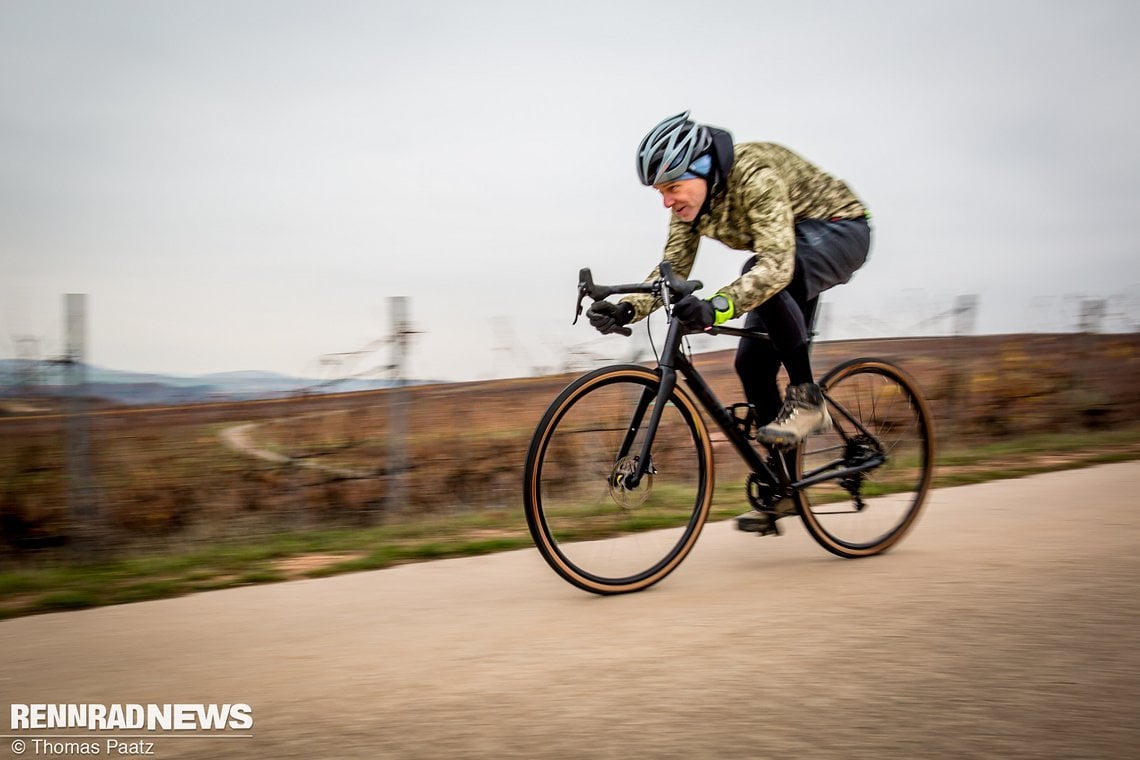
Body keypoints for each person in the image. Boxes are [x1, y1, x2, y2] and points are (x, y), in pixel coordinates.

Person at [586, 110, 871, 531]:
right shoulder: (691, 208)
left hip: (841, 229)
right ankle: (784, 488)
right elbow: (672, 269)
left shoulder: (754, 175)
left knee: (767, 273)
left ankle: (808, 401)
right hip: (792, 252)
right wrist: (627, 308)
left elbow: (775, 267)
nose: (666, 200)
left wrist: (715, 307)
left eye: (672, 187)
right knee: (751, 364)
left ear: (701, 168)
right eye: (659, 192)